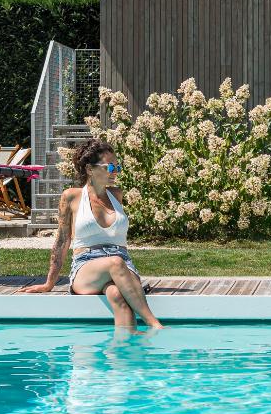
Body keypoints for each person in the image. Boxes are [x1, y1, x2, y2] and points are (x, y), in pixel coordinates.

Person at [19, 139, 163, 329]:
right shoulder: (72, 196)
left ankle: (124, 353)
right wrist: (49, 283)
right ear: (89, 169)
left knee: (116, 294)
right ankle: (153, 323)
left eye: (117, 167)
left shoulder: (116, 194)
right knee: (115, 263)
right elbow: (62, 241)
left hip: (123, 263)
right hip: (87, 266)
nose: (115, 172)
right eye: (110, 166)